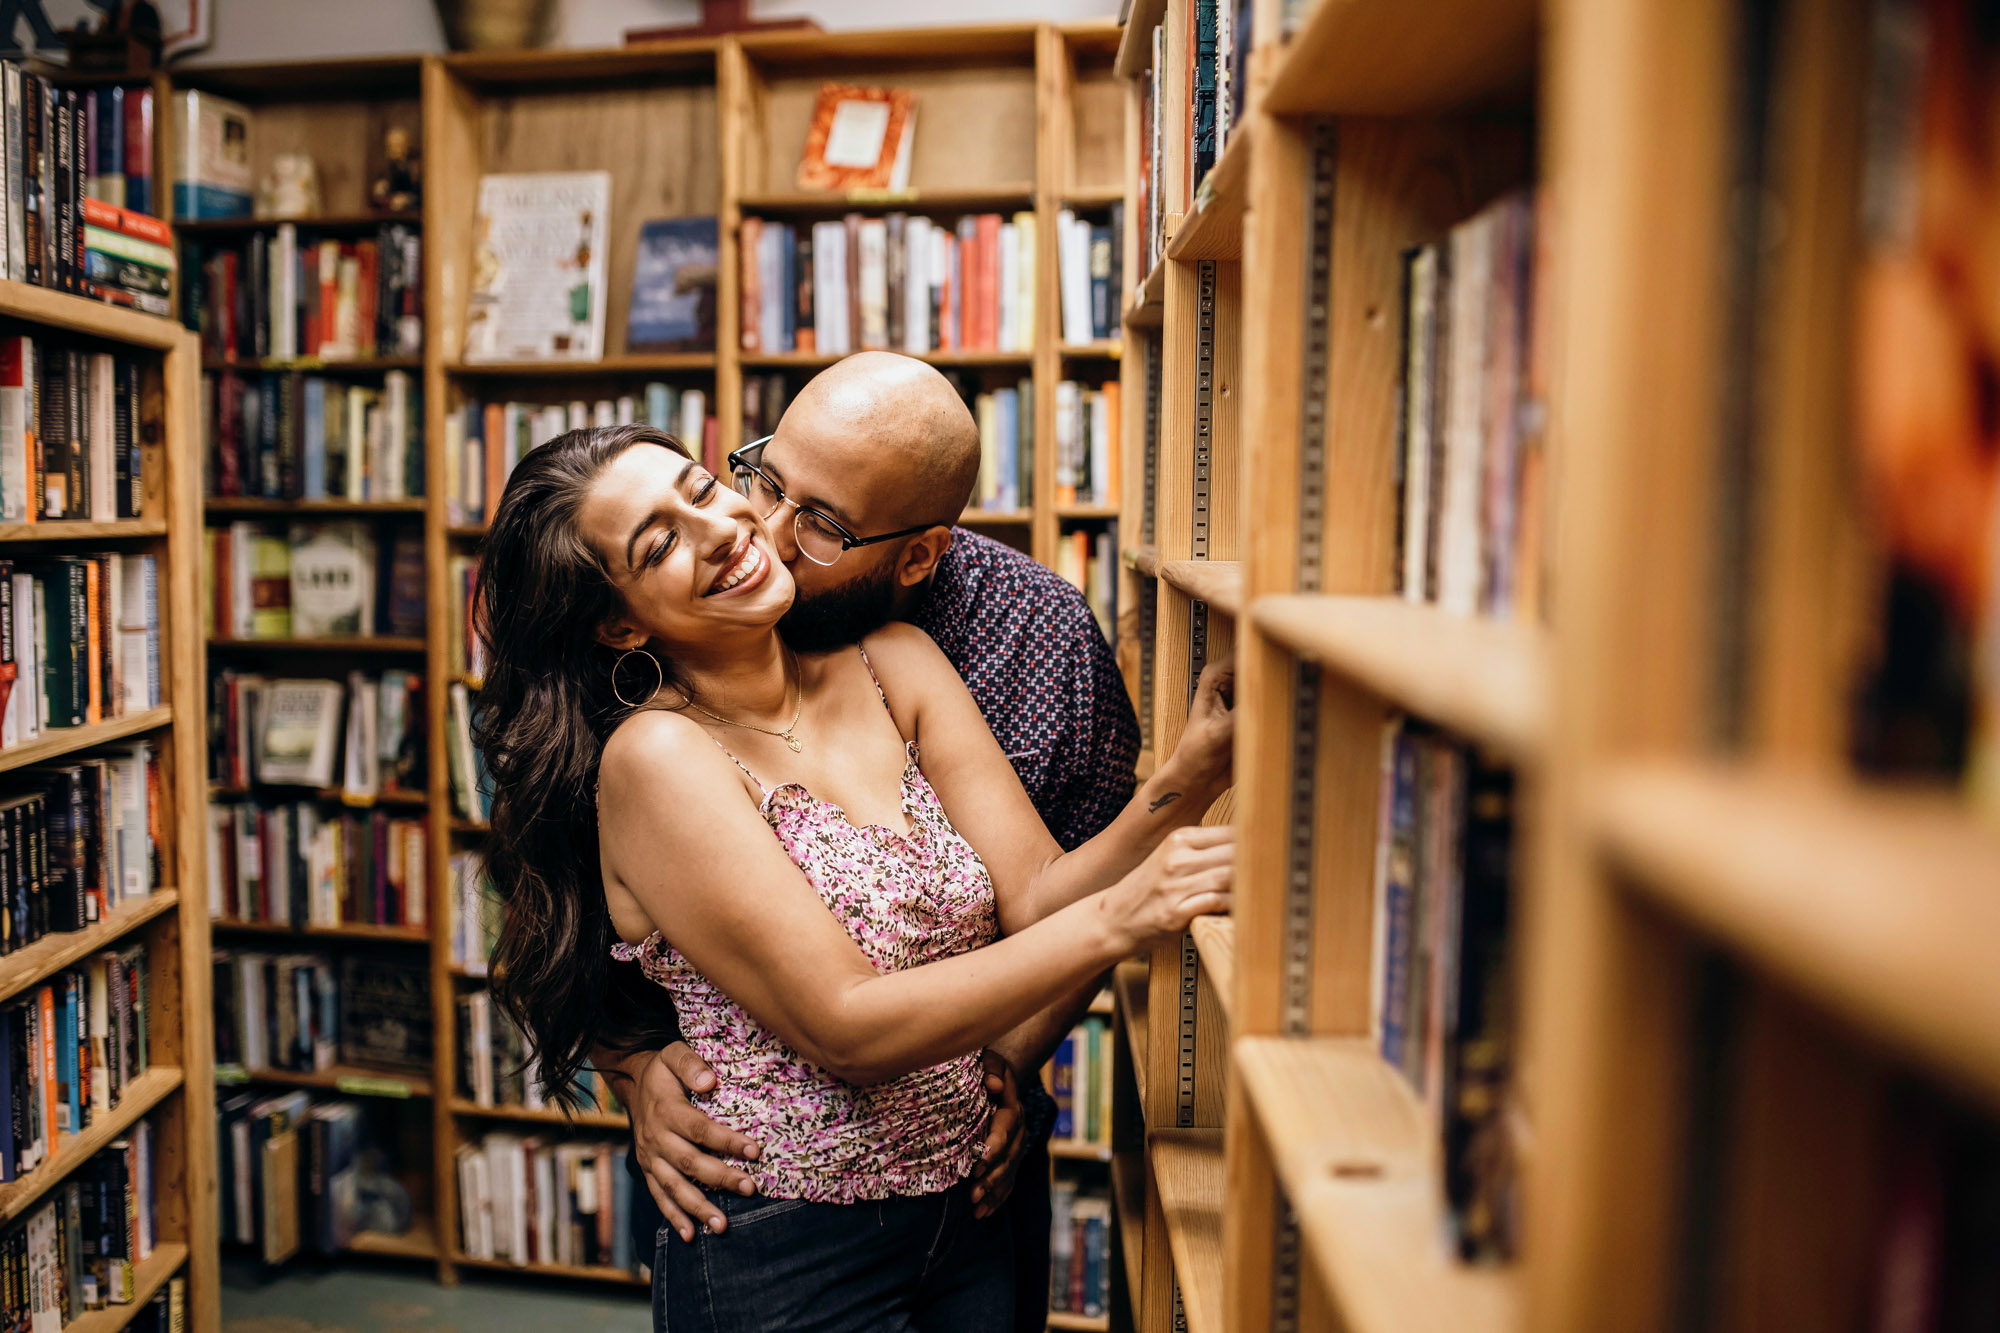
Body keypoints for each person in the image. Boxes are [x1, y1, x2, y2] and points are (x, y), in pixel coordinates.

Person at [473, 420, 1233, 1332]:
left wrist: (1192, 775)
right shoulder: (657, 757)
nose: (719, 527)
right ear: (621, 621)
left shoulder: (893, 663)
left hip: (970, 1202)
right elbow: (847, 1024)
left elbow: (1036, 894)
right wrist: (1123, 919)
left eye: (703, 489)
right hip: (787, 1236)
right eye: (662, 541)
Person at [594, 352, 1143, 1328]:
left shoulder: (1029, 642)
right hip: (773, 1195)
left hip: (969, 1174)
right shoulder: (642, 698)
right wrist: (634, 1072)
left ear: (917, 553)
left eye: (821, 524)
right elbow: (562, 906)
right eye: (758, 476)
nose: (754, 528)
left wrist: (1000, 1067)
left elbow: (1050, 896)